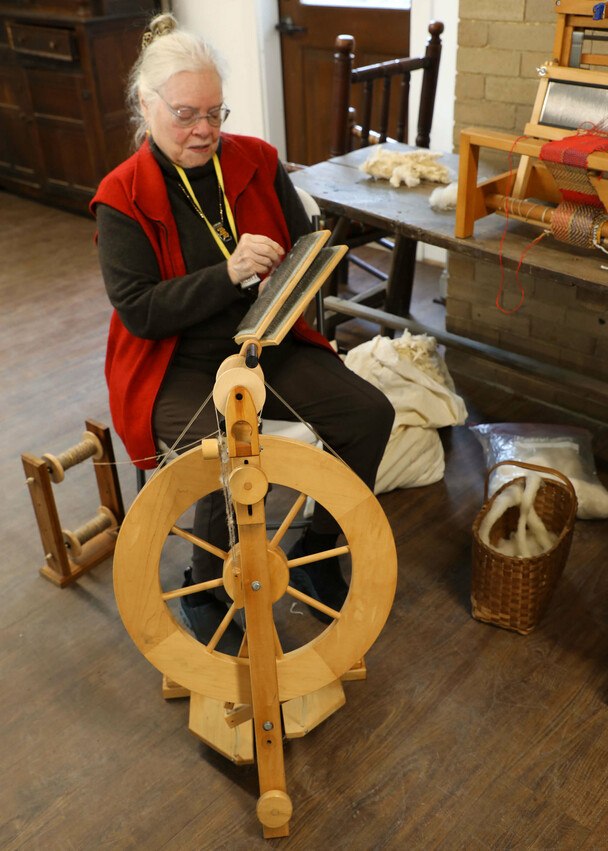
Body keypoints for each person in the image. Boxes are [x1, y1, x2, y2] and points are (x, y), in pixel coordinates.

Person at [91, 13, 394, 651]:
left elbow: (302, 246)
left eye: (215, 112)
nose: (204, 130)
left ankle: (316, 546)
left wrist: (301, 287)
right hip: (174, 362)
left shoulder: (256, 159)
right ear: (146, 105)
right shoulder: (122, 195)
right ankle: (204, 585)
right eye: (185, 115)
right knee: (231, 449)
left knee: (369, 413)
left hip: (262, 344)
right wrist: (228, 273)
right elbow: (141, 311)